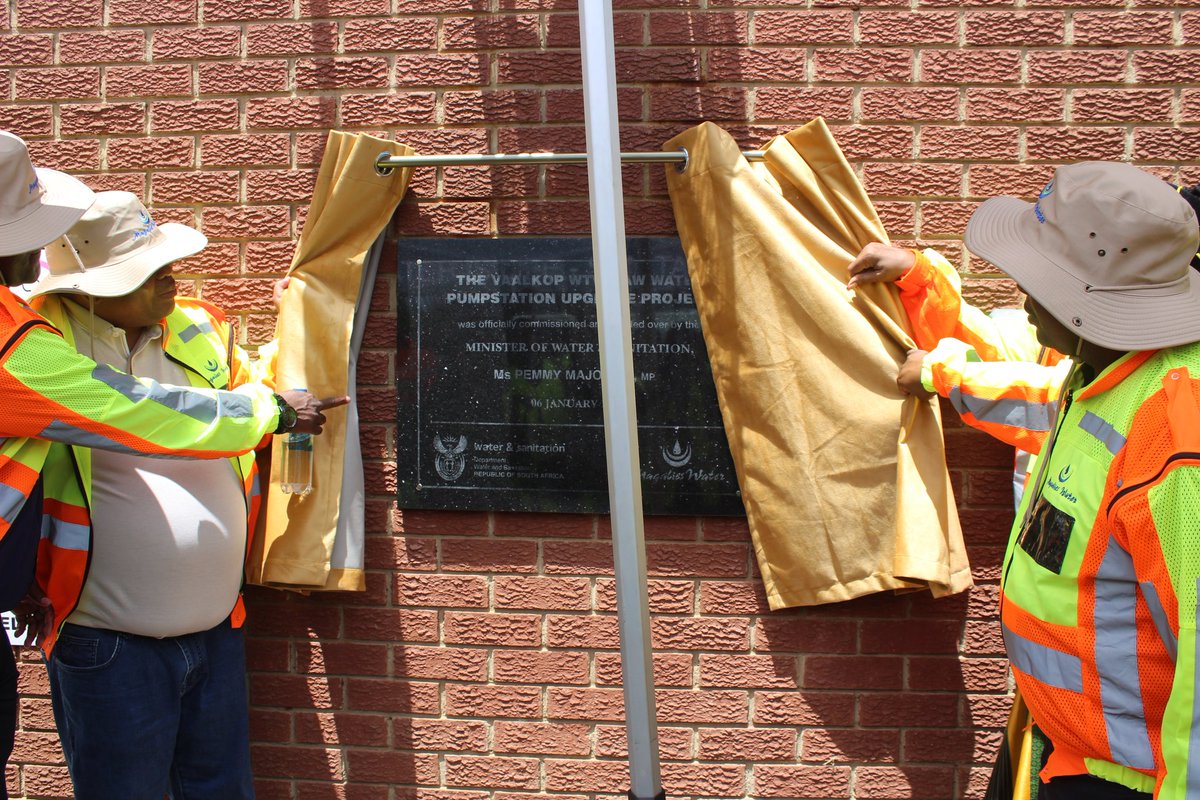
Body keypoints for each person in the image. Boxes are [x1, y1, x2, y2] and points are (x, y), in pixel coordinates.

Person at [0, 132, 332, 800]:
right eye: (148, 270)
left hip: (215, 631)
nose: (170, 280)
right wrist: (272, 412)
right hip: (108, 644)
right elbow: (142, 414)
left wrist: (297, 315)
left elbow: (250, 386)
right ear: (93, 288)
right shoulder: (34, 339)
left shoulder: (198, 325)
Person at [893, 162, 1200, 798]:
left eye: (1039, 282)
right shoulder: (1104, 377)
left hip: (1132, 781)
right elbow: (1034, 395)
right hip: (1076, 752)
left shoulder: (1178, 439)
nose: (1024, 298)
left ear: (1091, 301)